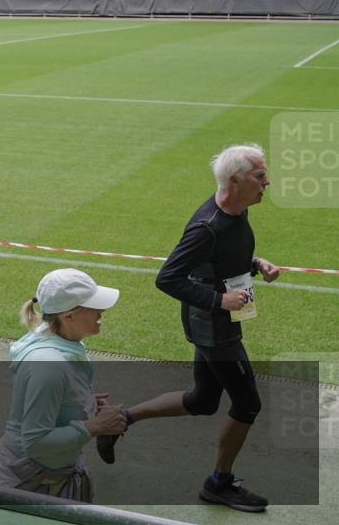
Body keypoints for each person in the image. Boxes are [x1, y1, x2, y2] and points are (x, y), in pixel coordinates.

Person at [97, 143, 279, 513]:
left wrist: (256, 263)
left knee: (203, 400)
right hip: (214, 328)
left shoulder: (236, 209)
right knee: (248, 404)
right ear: (235, 180)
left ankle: (120, 420)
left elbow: (221, 258)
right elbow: (167, 278)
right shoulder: (206, 227)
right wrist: (219, 301)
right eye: (260, 176)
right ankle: (219, 483)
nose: (267, 182)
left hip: (217, 322)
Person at [0, 269, 125, 502]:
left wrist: (83, 402)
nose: (102, 311)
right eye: (94, 306)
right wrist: (95, 426)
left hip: (45, 475)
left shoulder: (57, 337)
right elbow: (36, 442)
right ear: (68, 316)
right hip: (29, 484)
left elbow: (55, 396)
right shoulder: (49, 364)